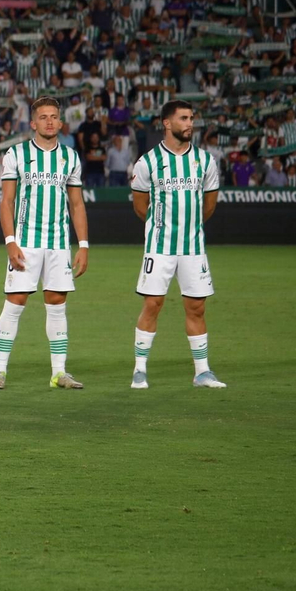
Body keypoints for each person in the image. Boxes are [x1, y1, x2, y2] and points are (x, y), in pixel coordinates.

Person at [0, 96, 90, 391]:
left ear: (61, 122)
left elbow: (77, 203)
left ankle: (59, 373)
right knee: (16, 302)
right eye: (43, 117)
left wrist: (83, 244)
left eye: (54, 117)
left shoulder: (70, 157)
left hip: (59, 244)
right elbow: (6, 202)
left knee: (57, 304)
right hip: (26, 243)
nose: (49, 122)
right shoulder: (17, 154)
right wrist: (10, 241)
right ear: (33, 123)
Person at [130, 100, 225, 389]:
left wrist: (189, 228)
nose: (190, 123)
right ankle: (140, 370)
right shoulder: (147, 162)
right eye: (184, 118)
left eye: (191, 117)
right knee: (153, 304)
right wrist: (162, 226)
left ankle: (202, 372)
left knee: (196, 308)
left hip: (194, 248)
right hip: (159, 248)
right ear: (167, 123)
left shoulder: (205, 161)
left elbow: (209, 205)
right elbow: (139, 206)